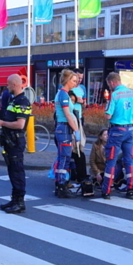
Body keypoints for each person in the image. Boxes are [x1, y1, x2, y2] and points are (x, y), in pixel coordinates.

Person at [0, 74, 31, 213]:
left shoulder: (22, 101)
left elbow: (20, 124)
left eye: (8, 84)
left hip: (16, 141)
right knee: (12, 171)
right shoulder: (12, 100)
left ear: (15, 84)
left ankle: (20, 202)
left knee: (17, 171)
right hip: (9, 141)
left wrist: (2, 123)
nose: (7, 86)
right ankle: (14, 199)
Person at [102, 72, 133, 199]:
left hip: (116, 131)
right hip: (129, 130)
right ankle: (131, 189)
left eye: (109, 84)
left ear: (112, 82)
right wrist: (129, 119)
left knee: (111, 161)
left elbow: (108, 115)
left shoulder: (114, 95)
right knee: (129, 160)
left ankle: (106, 190)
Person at [53, 69, 81, 198]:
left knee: (62, 158)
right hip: (64, 129)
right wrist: (76, 130)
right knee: (64, 159)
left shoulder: (61, 93)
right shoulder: (64, 95)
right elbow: (68, 115)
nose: (76, 83)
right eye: (74, 81)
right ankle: (61, 187)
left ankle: (60, 184)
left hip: (62, 129)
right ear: (68, 80)